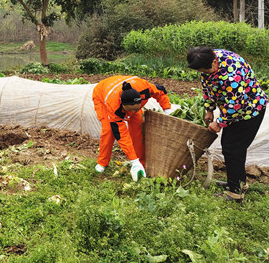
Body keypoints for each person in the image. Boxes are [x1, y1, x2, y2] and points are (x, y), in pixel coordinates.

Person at [187, 46, 266, 202]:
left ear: (214, 62)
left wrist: (220, 122)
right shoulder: (206, 60)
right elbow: (207, 86)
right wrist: (209, 110)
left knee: (232, 148)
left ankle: (235, 193)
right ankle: (238, 183)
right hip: (233, 111)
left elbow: (236, 104)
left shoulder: (232, 74)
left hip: (249, 111)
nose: (204, 73)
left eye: (206, 70)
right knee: (232, 147)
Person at [92, 75, 172, 181]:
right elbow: (120, 133)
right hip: (101, 94)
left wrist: (167, 110)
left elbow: (161, 91)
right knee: (109, 130)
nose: (133, 112)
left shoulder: (145, 88)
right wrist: (133, 160)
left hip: (125, 90)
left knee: (138, 127)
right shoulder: (114, 106)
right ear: (122, 105)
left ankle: (141, 163)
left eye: (136, 109)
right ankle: (102, 162)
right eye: (130, 110)